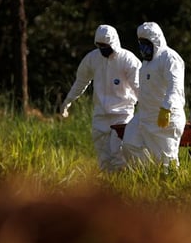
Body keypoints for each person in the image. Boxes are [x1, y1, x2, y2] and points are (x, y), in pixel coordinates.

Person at [59, 25, 141, 172]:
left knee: (119, 153)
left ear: (114, 43)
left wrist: (150, 109)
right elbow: (81, 82)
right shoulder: (92, 58)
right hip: (100, 115)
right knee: (103, 158)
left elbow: (139, 88)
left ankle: (123, 187)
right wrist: (68, 101)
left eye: (106, 46)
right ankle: (107, 189)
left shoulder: (128, 60)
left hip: (122, 115)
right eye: (100, 45)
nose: (103, 49)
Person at [121, 22, 186, 171]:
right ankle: (148, 175)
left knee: (165, 161)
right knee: (129, 144)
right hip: (144, 116)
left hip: (165, 117)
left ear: (156, 41)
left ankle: (170, 186)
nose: (143, 48)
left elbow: (174, 85)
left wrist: (167, 108)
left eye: (147, 43)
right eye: (141, 43)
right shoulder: (147, 63)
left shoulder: (169, 58)